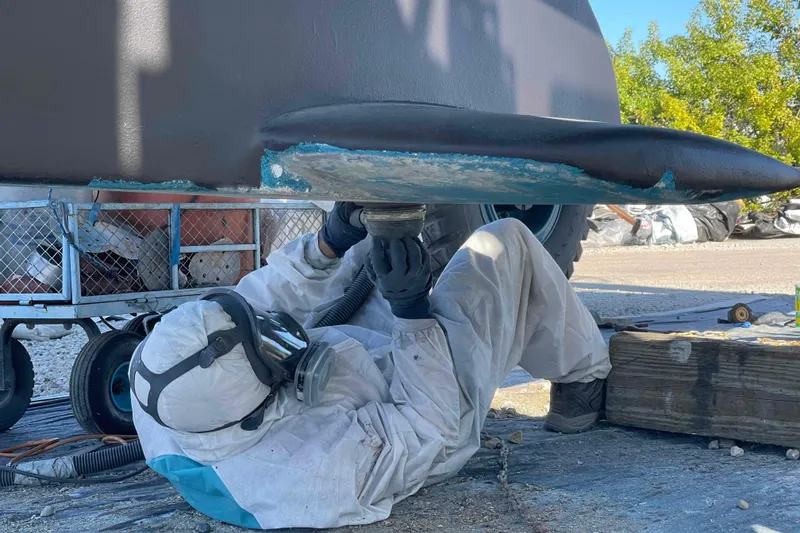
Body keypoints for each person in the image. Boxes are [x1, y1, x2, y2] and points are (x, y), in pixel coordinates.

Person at [130, 202, 610, 529]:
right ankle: (582, 378)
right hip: (425, 420)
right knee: (503, 244)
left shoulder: (163, 373)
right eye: (272, 349)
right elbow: (428, 425)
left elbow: (252, 302)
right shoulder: (310, 471)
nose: (278, 334)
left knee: (367, 248)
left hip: (355, 371)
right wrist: (412, 313)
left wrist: (328, 244)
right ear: (262, 407)